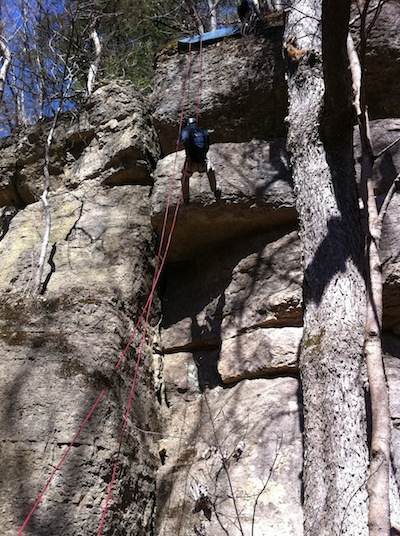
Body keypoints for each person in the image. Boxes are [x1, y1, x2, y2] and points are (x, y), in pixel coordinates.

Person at [179, 117, 220, 204]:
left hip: (191, 162)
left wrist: (188, 150)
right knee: (211, 170)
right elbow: (208, 143)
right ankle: (215, 189)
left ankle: (186, 198)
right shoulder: (203, 130)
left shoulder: (186, 130)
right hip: (203, 160)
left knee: (184, 177)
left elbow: (184, 140)